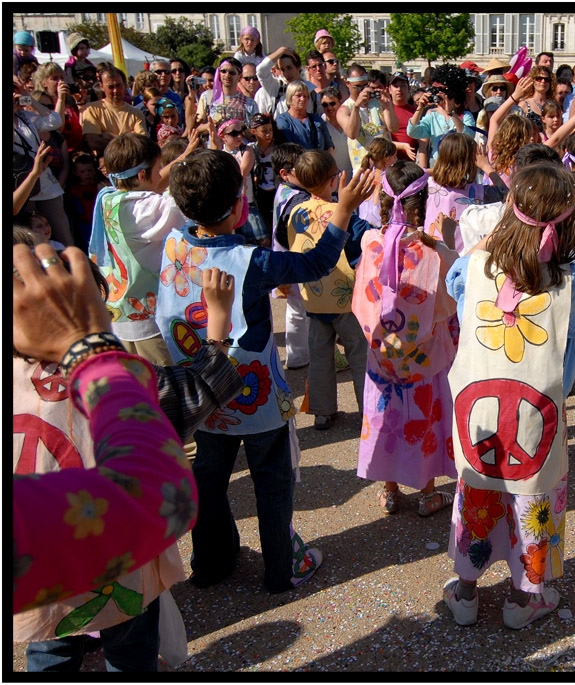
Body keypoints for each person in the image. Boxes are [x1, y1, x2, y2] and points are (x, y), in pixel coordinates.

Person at [14, 230, 243, 672]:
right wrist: (217, 324)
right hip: (118, 569)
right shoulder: (117, 383)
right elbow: (194, 396)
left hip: (39, 590)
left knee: (49, 647)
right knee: (132, 652)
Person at [155, 149, 373, 592]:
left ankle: (212, 563)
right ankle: (281, 568)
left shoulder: (175, 243)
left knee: (210, 481)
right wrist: (344, 211)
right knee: (272, 485)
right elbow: (314, 263)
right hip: (254, 401)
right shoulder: (250, 261)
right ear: (240, 205)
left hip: (204, 394)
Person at [441, 159, 575, 629]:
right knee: (534, 502)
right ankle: (526, 599)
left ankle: (465, 591)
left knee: (477, 496)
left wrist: (508, 224)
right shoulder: (572, 287)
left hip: (478, 418)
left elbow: (455, 277)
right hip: (536, 421)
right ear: (567, 230)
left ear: (510, 213)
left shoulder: (476, 270)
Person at [11, 242, 198, 616]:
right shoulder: (77, 375)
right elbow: (158, 494)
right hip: (118, 569)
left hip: (46, 605)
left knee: (52, 653)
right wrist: (90, 350)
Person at [351, 161, 460, 516]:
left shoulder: (370, 243)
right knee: (423, 417)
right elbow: (448, 305)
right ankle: (428, 493)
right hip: (425, 358)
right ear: (423, 204)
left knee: (387, 416)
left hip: (381, 355)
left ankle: (389, 489)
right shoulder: (437, 254)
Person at [86, 131, 195, 368]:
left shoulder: (109, 198)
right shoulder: (147, 208)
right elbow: (183, 202)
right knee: (164, 383)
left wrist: (183, 156)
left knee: (137, 379)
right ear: (143, 174)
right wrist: (191, 162)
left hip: (118, 310)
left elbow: (155, 184)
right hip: (147, 319)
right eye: (158, 170)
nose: (161, 175)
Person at [285, 150, 369, 431]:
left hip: (313, 296)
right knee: (359, 353)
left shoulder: (293, 211)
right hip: (345, 297)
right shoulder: (341, 213)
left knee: (319, 355)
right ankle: (367, 411)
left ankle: (322, 411)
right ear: (334, 180)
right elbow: (360, 244)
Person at [15, 82, 75, 249]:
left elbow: (54, 121)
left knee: (64, 236)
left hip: (45, 182)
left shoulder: (26, 117)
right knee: (31, 239)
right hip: (22, 183)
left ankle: (76, 269)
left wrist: (28, 98)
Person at [270, 143, 312, 370]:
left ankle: (297, 356)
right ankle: (304, 356)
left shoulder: (284, 192)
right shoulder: (298, 198)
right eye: (300, 167)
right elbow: (286, 232)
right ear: (285, 174)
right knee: (304, 311)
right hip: (296, 262)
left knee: (296, 310)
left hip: (285, 262)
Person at [422, 132, 504, 250]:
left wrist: (441, 168)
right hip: (462, 256)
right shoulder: (478, 192)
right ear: (470, 162)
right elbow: (505, 194)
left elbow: (413, 174)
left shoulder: (427, 186)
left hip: (431, 250)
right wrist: (486, 166)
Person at [209, 119, 270, 247]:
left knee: (262, 240)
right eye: (234, 133)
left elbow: (242, 173)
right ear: (223, 137)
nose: (239, 136)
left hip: (247, 202)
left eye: (241, 132)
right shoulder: (221, 153)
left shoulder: (246, 150)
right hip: (228, 206)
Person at [405, 63, 476, 166]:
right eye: (436, 90)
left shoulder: (465, 115)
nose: (438, 94)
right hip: (439, 168)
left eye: (443, 91)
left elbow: (469, 137)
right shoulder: (433, 116)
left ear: (454, 95)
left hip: (460, 168)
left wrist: (451, 113)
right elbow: (412, 132)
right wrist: (420, 108)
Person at [337, 65, 397, 169]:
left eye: (365, 85)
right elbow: (352, 133)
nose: (362, 90)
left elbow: (394, 128)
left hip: (387, 166)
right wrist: (356, 107)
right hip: (363, 169)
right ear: (348, 84)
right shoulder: (345, 109)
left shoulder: (379, 103)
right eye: (358, 86)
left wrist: (388, 106)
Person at [80, 65, 147, 158]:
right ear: (102, 87)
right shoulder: (91, 109)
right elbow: (94, 142)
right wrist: (129, 138)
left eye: (118, 85)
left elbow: (141, 143)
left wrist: (109, 136)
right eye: (111, 87)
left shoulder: (136, 113)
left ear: (125, 85)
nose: (116, 90)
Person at [196, 57, 259, 131]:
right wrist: (211, 125)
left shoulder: (250, 103)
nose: (227, 75)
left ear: (240, 76)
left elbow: (256, 132)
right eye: (223, 71)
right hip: (214, 141)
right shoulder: (207, 96)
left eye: (232, 72)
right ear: (219, 73)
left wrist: (239, 125)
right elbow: (197, 127)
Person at [256, 47, 318, 118]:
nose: (286, 73)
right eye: (282, 69)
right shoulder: (275, 87)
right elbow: (261, 70)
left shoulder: (312, 92)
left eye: (289, 68)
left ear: (298, 67)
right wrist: (281, 50)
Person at [275, 81, 334, 154]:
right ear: (290, 97)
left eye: (305, 96)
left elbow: (329, 146)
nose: (302, 99)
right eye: (298, 96)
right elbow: (287, 148)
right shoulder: (283, 120)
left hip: (320, 162)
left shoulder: (317, 119)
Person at [386, 72, 420, 163]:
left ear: (409, 88)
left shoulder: (417, 111)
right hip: (391, 162)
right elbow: (381, 140)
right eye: (395, 86)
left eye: (402, 85)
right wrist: (402, 146)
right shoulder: (385, 111)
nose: (399, 89)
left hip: (412, 163)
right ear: (389, 89)